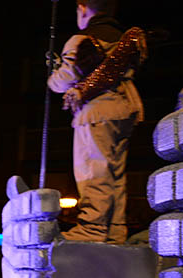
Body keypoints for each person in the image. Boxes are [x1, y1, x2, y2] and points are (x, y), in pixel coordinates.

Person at [47, 0, 143, 243]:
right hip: (124, 108)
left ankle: (93, 227)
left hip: (97, 110)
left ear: (83, 9)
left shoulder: (83, 40)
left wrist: (53, 71)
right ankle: (115, 229)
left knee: (93, 169)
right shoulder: (123, 39)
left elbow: (62, 81)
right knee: (115, 173)